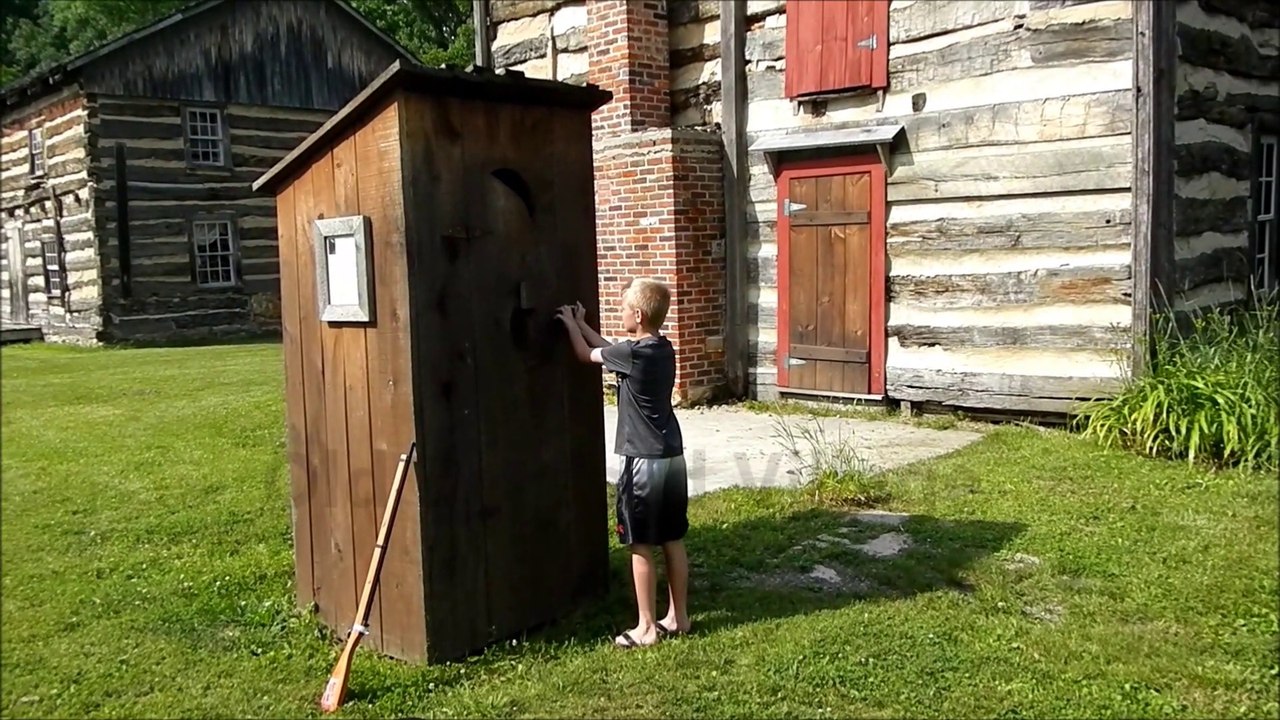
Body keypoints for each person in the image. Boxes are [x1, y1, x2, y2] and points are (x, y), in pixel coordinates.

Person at [555, 278, 691, 649]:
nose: (621, 313)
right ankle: (678, 617)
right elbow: (613, 350)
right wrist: (584, 325)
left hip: (642, 460)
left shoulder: (632, 354)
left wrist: (569, 325)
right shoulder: (662, 349)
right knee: (672, 538)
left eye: (624, 308)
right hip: (671, 456)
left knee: (640, 544)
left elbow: (587, 356)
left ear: (639, 314)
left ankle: (646, 627)